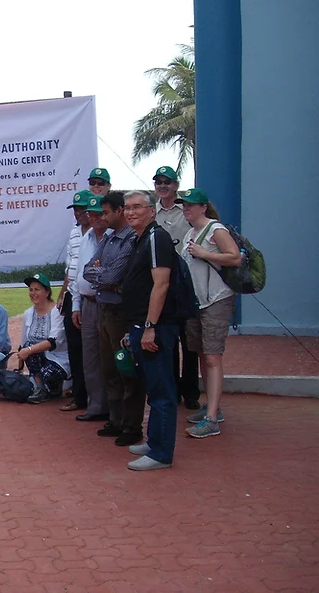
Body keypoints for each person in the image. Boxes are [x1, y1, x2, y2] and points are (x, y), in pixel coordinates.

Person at [120, 190, 178, 471]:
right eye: (127, 208)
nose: (130, 212)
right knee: (151, 387)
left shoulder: (157, 238)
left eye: (137, 207)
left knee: (161, 389)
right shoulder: (140, 239)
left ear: (152, 211)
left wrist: (149, 327)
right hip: (139, 325)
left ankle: (161, 453)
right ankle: (154, 440)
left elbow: (161, 285)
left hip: (157, 327)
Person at [178, 188, 241, 438]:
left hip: (216, 299)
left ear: (203, 207)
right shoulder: (189, 234)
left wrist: (205, 253)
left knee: (213, 357)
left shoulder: (216, 229)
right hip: (196, 302)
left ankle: (212, 418)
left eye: (191, 205)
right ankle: (213, 407)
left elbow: (234, 257)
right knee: (203, 354)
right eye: (184, 205)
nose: (186, 208)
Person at [83, 191, 143, 447]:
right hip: (104, 311)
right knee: (109, 369)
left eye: (106, 212)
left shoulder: (130, 239)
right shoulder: (107, 239)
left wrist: (105, 277)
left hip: (121, 314)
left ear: (119, 211)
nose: (103, 217)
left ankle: (132, 425)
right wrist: (105, 277)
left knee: (126, 369)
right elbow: (88, 271)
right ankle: (116, 419)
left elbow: (112, 277)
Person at [153, 166, 200, 410]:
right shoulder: (153, 213)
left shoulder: (187, 212)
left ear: (176, 185)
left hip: (187, 286)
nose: (163, 186)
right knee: (167, 343)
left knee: (190, 343)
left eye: (167, 182)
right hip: (163, 286)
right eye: (158, 182)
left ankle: (191, 392)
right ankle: (172, 389)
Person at [69, 195, 110, 421]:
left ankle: (115, 410)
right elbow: (77, 275)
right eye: (90, 214)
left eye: (97, 214)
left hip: (108, 303)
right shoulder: (86, 238)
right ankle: (96, 406)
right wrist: (76, 305)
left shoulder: (115, 238)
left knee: (110, 359)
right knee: (91, 357)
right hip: (87, 303)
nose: (93, 218)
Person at [56, 189, 93, 411]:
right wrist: (62, 293)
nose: (79, 213)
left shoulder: (102, 233)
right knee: (75, 349)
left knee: (93, 350)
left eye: (83, 209)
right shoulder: (73, 233)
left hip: (92, 299)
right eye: (76, 209)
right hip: (72, 295)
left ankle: (96, 398)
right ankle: (79, 397)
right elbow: (69, 268)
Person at [16, 274, 70, 404]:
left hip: (59, 357)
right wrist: (19, 368)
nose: (33, 293)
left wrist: (28, 350)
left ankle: (60, 385)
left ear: (47, 292)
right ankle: (41, 389)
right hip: (38, 358)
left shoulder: (57, 312)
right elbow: (23, 343)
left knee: (48, 374)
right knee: (28, 346)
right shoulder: (28, 313)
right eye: (31, 290)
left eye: (37, 289)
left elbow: (53, 342)